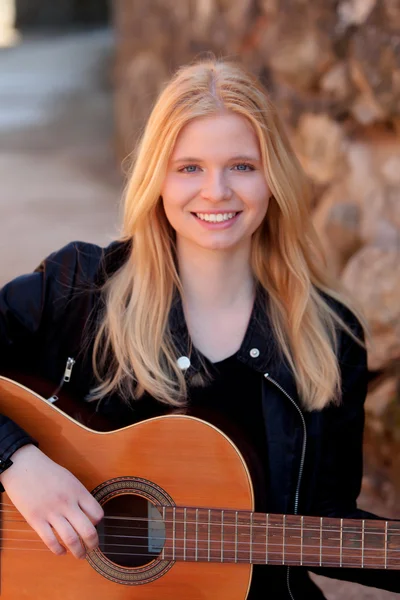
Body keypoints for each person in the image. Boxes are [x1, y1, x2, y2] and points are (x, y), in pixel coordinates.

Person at [0, 58, 398, 600]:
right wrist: (18, 462)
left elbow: (321, 519)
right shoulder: (77, 288)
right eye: (189, 167)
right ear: (157, 178)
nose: (216, 192)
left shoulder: (328, 336)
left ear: (273, 177)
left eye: (241, 166)